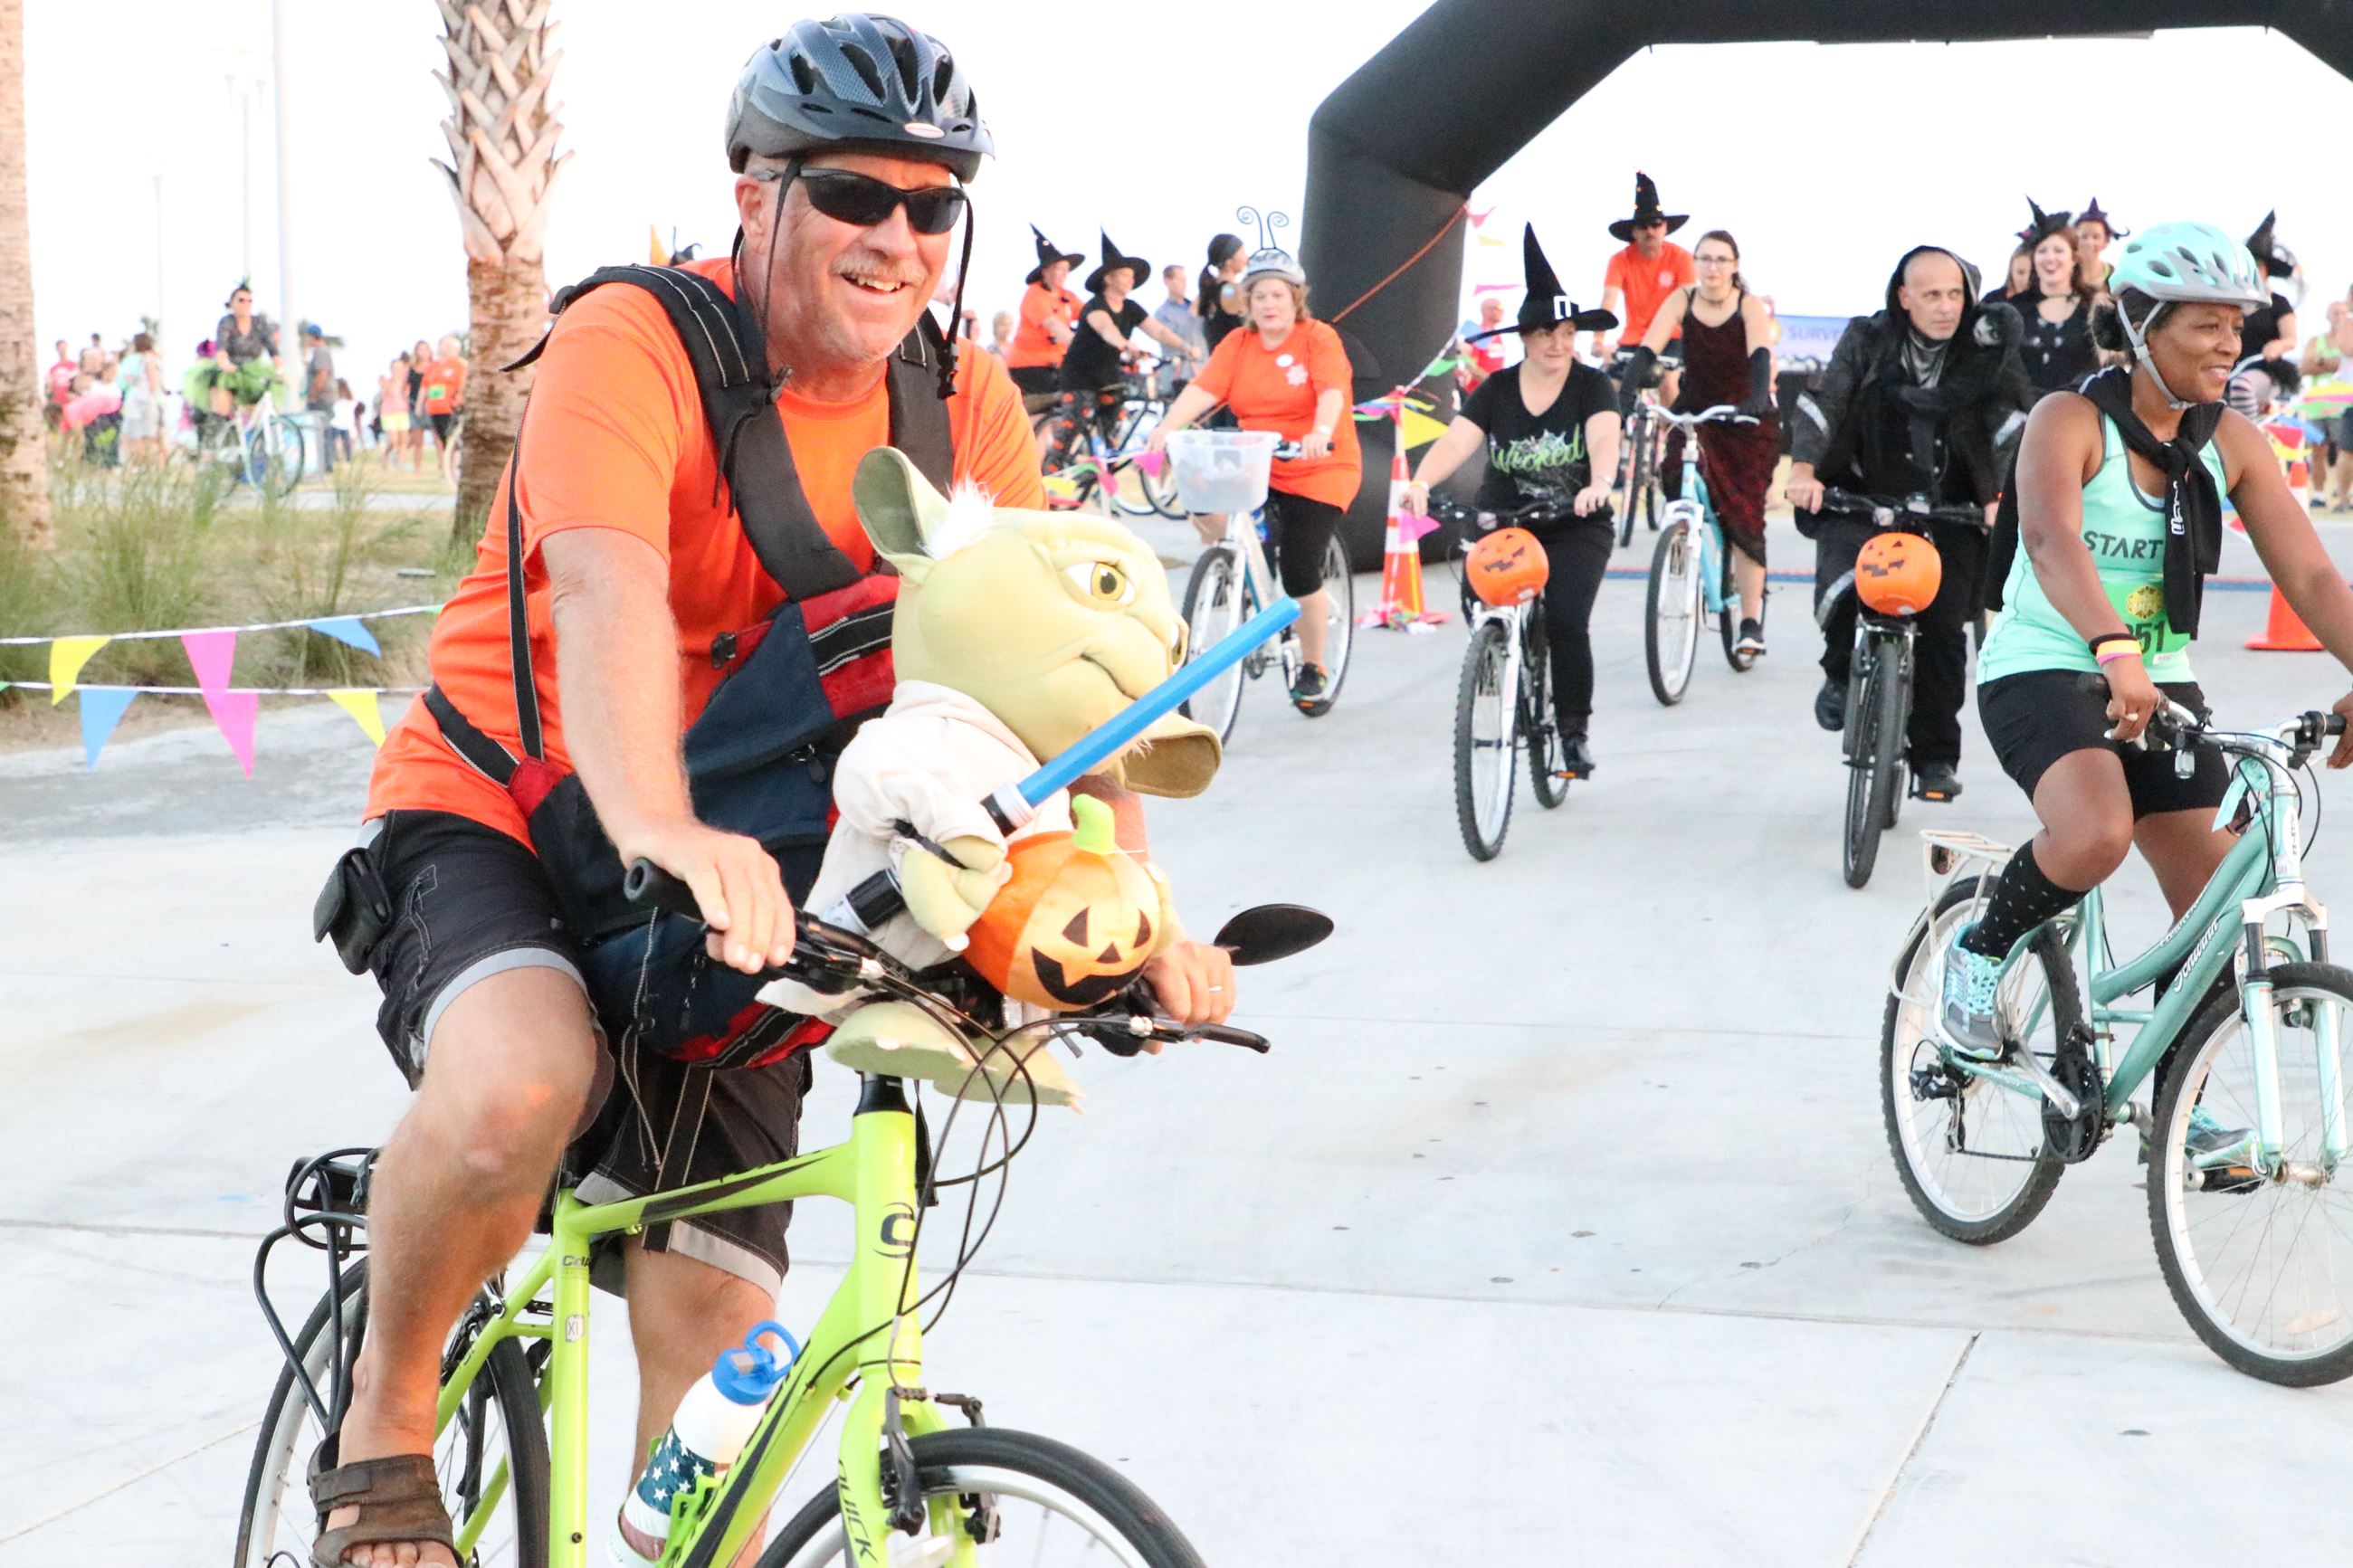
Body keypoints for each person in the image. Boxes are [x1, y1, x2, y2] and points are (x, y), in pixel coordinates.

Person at [316, 18, 1234, 1565]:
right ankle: (387, 1435)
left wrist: (1124, 900)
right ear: (756, 196)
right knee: (518, 1090)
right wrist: (660, 824)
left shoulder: (961, 408)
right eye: (854, 196)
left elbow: (1059, 672)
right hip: (505, 811)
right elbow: (602, 591)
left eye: (932, 205)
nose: (896, 236)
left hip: (741, 877)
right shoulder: (635, 344)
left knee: (710, 1442)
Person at [1941, 222, 2353, 1056]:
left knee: (2212, 891)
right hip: (2044, 665)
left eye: (2236, 325)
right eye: (2207, 324)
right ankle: (1976, 955)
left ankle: (2176, 1098)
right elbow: (2051, 540)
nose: (2229, 344)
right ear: (2140, 326)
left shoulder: (2228, 440)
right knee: (2096, 833)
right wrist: (2113, 647)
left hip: (2158, 677)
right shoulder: (2069, 418)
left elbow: (2310, 578)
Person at [1786, 245, 2030, 803]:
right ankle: (1840, 671)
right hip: (1866, 495)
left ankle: (1936, 759)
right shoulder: (1868, 339)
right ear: (1904, 297)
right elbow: (1828, 400)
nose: (1947, 308)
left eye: (1955, 294)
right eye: (1932, 295)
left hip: (1956, 506)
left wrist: (2001, 496)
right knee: (1851, 587)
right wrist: (1804, 471)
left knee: (1946, 631)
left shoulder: (1984, 348)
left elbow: (2012, 419)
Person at [1402, 224, 1621, 776]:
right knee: (1482, 604)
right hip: (1504, 521)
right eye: (1546, 332)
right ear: (1525, 337)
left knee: (1568, 622)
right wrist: (1421, 483)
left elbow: (1603, 438)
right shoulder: (1497, 389)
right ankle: (1501, 657)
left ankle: (1572, 732)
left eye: (1567, 332)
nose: (1558, 344)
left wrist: (1598, 484)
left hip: (1575, 521)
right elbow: (1457, 441)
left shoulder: (1593, 386)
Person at [1149, 231, 1362, 707]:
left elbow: (1331, 391)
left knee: (1301, 568)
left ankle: (1313, 664)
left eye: (1278, 295)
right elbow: (1204, 390)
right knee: (1201, 494)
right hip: (1258, 461)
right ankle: (1239, 567)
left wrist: (1320, 431)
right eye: (1259, 295)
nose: (1269, 304)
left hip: (1318, 464)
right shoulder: (1238, 344)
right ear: (1247, 301)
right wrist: (1166, 428)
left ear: (1295, 300)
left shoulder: (1318, 338)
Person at [1622, 229, 1777, 652]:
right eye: (1705, 259)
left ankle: (1749, 620)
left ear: (1735, 266)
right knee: (1673, 470)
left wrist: (1757, 398)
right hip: (1697, 411)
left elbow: (1759, 355)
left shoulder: (1748, 306)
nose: (1712, 268)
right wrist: (1624, 393)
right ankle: (1689, 540)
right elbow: (1648, 348)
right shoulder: (1683, 300)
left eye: (1721, 260)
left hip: (1744, 416)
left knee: (1745, 518)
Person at [1044, 234, 1201, 477]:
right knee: (1074, 421)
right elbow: (1107, 329)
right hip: (1080, 375)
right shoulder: (1095, 306)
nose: (1130, 279)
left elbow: (1157, 330)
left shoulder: (1132, 308)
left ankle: (1099, 473)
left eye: (1131, 275)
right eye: (1125, 274)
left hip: (1109, 376)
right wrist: (1126, 345)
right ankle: (1051, 471)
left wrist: (1185, 348)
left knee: (1114, 424)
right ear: (1109, 278)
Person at [1593, 172, 1696, 405]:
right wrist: (1599, 340)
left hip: (1671, 337)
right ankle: (1615, 439)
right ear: (1634, 231)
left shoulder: (1682, 258)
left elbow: (1690, 301)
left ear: (1665, 228)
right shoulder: (1620, 260)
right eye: (1643, 226)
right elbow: (1609, 300)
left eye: (1656, 225)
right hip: (1633, 338)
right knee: (1611, 388)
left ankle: (1671, 437)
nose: (1650, 231)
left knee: (1668, 382)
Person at [2018, 202, 2101, 397]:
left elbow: (2112, 364)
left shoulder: (2093, 305)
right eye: (2042, 251)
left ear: (2074, 258)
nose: (2050, 258)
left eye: (2058, 250)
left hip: (2080, 412)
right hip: (2024, 417)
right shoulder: (2015, 308)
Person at [2231, 212, 2301, 412]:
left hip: (2264, 369)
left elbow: (2291, 339)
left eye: (2256, 266)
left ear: (2265, 270)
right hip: (2232, 367)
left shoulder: (2278, 303)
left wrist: (2278, 345)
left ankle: (2246, 439)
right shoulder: (2232, 303)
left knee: (2241, 387)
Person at [1006, 225, 1082, 410]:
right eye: (1059, 269)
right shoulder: (1035, 295)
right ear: (1046, 271)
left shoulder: (1067, 296)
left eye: (1066, 270)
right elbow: (1054, 325)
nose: (1064, 274)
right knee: (1049, 411)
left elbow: (1089, 317)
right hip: (1031, 365)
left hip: (1056, 364)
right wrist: (1081, 347)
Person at [208, 281, 283, 417]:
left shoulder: (259, 323)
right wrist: (225, 364)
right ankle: (221, 432)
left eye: (249, 301)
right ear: (231, 303)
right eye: (241, 300)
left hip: (253, 372)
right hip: (232, 371)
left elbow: (273, 350)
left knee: (268, 406)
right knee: (222, 408)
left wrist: (279, 369)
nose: (246, 304)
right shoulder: (227, 322)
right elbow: (221, 348)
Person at [1151, 262, 1207, 394]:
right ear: (1167, 281)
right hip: (1177, 378)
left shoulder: (1198, 308)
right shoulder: (1162, 313)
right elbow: (1170, 337)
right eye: (1180, 280)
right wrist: (1193, 312)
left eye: (1185, 280)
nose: (1185, 284)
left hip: (1203, 375)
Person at [419, 334, 466, 482]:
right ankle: (446, 470)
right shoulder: (434, 366)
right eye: (444, 346)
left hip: (451, 409)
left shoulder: (460, 365)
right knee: (442, 441)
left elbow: (463, 386)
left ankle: (454, 471)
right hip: (434, 409)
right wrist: (420, 405)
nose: (445, 349)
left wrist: (458, 401)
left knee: (453, 442)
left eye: (449, 346)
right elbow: (425, 386)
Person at [115, 331, 165, 464]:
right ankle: (151, 465)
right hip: (147, 401)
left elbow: (151, 383)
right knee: (148, 436)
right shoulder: (152, 359)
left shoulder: (139, 360)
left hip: (139, 401)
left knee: (138, 436)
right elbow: (155, 384)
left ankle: (137, 464)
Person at [1196, 232, 1246, 350]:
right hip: (1233, 358)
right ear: (1228, 261)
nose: (1246, 258)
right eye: (1243, 253)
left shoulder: (1209, 289)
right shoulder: (1230, 290)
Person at [303, 323, 338, 471]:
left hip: (322, 398)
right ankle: (325, 463)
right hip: (323, 397)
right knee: (323, 431)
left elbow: (322, 375)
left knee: (323, 431)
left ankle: (327, 464)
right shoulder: (320, 352)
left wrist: (312, 395)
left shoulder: (321, 352)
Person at [2076, 198, 2124, 293]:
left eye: (2096, 237)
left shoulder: (2114, 275)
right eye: (2084, 237)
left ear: (2106, 241)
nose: (2089, 243)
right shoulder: (2064, 274)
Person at [378, 355, 414, 472]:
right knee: (393, 440)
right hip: (388, 413)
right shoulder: (386, 381)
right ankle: (385, 455)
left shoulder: (406, 383)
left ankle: (401, 464)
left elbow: (407, 395)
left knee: (403, 440)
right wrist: (395, 380)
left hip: (402, 412)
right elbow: (389, 391)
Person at [1984, 242, 2034, 309]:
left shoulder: (2039, 306)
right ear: (2011, 270)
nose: (2026, 279)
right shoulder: (1991, 299)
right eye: (2020, 273)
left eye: (2032, 273)